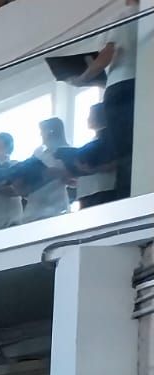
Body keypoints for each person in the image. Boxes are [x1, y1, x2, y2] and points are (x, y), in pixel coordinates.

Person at [73, 0, 140, 202]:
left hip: (120, 87)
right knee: (135, 145)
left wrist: (82, 78)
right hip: (141, 84)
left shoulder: (124, 15)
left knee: (123, 150)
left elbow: (108, 54)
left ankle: (126, 200)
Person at [23, 117, 75, 222]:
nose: (41, 134)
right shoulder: (38, 152)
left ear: (51, 131)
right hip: (34, 206)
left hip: (56, 206)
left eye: (42, 131)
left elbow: (75, 180)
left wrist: (59, 174)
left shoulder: (67, 150)